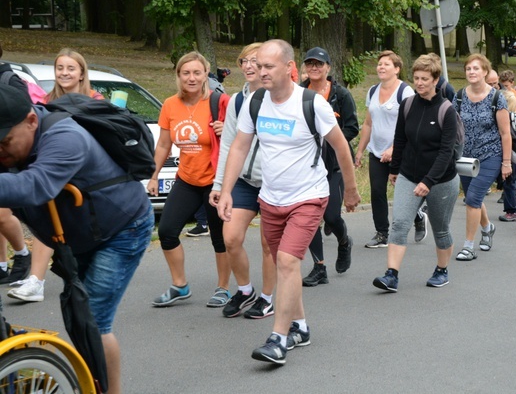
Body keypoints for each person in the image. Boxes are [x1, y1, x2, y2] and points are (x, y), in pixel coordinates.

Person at [0, 84, 153, 394]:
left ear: (31, 121)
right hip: (80, 235)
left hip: (123, 229)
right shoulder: (17, 139)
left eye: (4, 142)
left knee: (92, 322)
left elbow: (36, 185)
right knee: (77, 318)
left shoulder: (65, 138)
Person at [218, 39, 360, 366]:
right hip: (270, 199)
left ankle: (277, 339)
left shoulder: (312, 104)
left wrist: (351, 190)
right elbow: (239, 148)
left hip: (308, 196)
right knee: (287, 266)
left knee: (286, 262)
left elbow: (340, 147)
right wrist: (226, 190)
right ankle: (301, 326)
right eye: (258, 65)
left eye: (268, 66)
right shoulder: (255, 102)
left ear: (288, 67)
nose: (260, 71)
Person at [10, 48, 106, 301]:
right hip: (55, 174)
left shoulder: (95, 101)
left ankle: (89, 275)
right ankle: (36, 281)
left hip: (88, 177)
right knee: (47, 220)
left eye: (70, 68)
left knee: (85, 232)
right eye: (60, 68)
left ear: (81, 72)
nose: (64, 73)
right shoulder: (45, 101)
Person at [148, 52, 232, 308]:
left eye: (197, 72)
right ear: (178, 75)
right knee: (167, 231)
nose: (192, 78)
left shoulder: (220, 102)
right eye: (186, 73)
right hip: (186, 179)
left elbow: (242, 138)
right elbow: (164, 144)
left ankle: (224, 288)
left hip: (215, 180)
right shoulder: (170, 105)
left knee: (220, 238)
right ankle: (180, 285)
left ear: (206, 73)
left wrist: (226, 129)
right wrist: (153, 175)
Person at [372, 54, 460, 290]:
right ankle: (391, 275)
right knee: (400, 223)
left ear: (436, 80)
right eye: (416, 78)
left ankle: (442, 270)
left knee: (441, 230)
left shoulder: (446, 111)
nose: (419, 83)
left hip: (441, 180)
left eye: (424, 79)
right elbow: (400, 139)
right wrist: (395, 168)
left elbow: (445, 152)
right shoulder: (408, 105)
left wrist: (428, 182)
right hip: (409, 175)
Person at [209, 43, 276, 319]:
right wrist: (219, 185)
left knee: (268, 243)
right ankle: (245, 290)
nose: (249, 66)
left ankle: (268, 297)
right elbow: (228, 145)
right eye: (243, 61)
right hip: (245, 180)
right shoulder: (237, 100)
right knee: (231, 238)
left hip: (274, 182)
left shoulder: (280, 97)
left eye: (255, 61)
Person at [299, 47, 359, 287]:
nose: (314, 67)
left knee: (331, 216)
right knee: (311, 216)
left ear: (328, 68)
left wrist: (328, 137)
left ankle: (344, 241)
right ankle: (319, 267)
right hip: (307, 164)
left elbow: (352, 127)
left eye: (319, 64)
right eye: (310, 63)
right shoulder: (298, 93)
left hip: (334, 163)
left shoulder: (340, 95)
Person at [354, 51, 417, 248]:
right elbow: (367, 124)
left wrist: (394, 148)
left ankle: (418, 216)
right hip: (376, 151)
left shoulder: (405, 92)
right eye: (379, 64)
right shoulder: (372, 91)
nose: (381, 67)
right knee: (377, 192)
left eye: (386, 64)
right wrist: (360, 150)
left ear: (397, 69)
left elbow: (411, 126)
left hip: (402, 152)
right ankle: (382, 233)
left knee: (404, 194)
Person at [454, 54, 512, 261]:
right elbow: (453, 127)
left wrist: (506, 163)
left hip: (490, 155)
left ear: (485, 72)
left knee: (472, 199)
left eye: (476, 68)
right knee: (474, 198)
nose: (471, 72)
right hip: (465, 158)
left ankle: (468, 246)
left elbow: (505, 133)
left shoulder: (497, 98)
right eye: (468, 68)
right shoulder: (459, 96)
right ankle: (488, 228)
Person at [0, 44, 33, 287]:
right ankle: (1, 265)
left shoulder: (9, 79)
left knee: (1, 215)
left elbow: (24, 115)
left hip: (9, 153)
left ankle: (22, 254)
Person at [498, 70, 516, 222]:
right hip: (515, 147)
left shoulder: (510, 114)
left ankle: (511, 210)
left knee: (509, 180)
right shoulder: (513, 116)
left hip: (511, 148)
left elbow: (510, 135)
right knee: (513, 180)